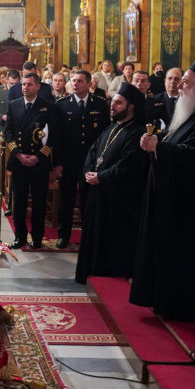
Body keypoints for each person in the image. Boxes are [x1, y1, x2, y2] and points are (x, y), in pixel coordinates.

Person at [130, 54, 195, 322]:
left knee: (184, 259)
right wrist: (157, 144)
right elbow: (178, 145)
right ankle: (163, 300)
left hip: (190, 205)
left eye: (186, 82)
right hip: (174, 201)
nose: (180, 86)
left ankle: (180, 306)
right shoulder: (192, 113)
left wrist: (159, 147)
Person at [75, 83, 148, 283]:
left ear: (131, 107)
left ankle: (106, 279)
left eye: (118, 103)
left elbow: (128, 166)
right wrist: (89, 172)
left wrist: (102, 177)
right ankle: (90, 273)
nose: (112, 106)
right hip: (97, 194)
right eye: (112, 102)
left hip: (117, 200)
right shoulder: (111, 128)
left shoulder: (136, 133)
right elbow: (93, 152)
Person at [54, 69, 109, 249]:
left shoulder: (100, 105)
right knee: (66, 199)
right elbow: (58, 138)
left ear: (89, 83)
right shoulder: (62, 105)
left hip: (91, 162)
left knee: (88, 200)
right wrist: (58, 163)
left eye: (79, 81)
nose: (75, 84)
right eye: (74, 81)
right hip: (69, 161)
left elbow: (104, 136)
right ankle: (64, 235)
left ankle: (88, 235)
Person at [6, 73, 58, 250]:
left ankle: (37, 237)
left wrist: (38, 156)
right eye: (23, 84)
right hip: (19, 161)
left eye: (29, 84)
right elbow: (8, 133)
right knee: (19, 202)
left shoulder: (47, 107)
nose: (25, 87)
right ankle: (19, 236)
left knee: (39, 202)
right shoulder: (13, 105)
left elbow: (53, 137)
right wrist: (19, 154)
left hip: (39, 162)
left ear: (38, 86)